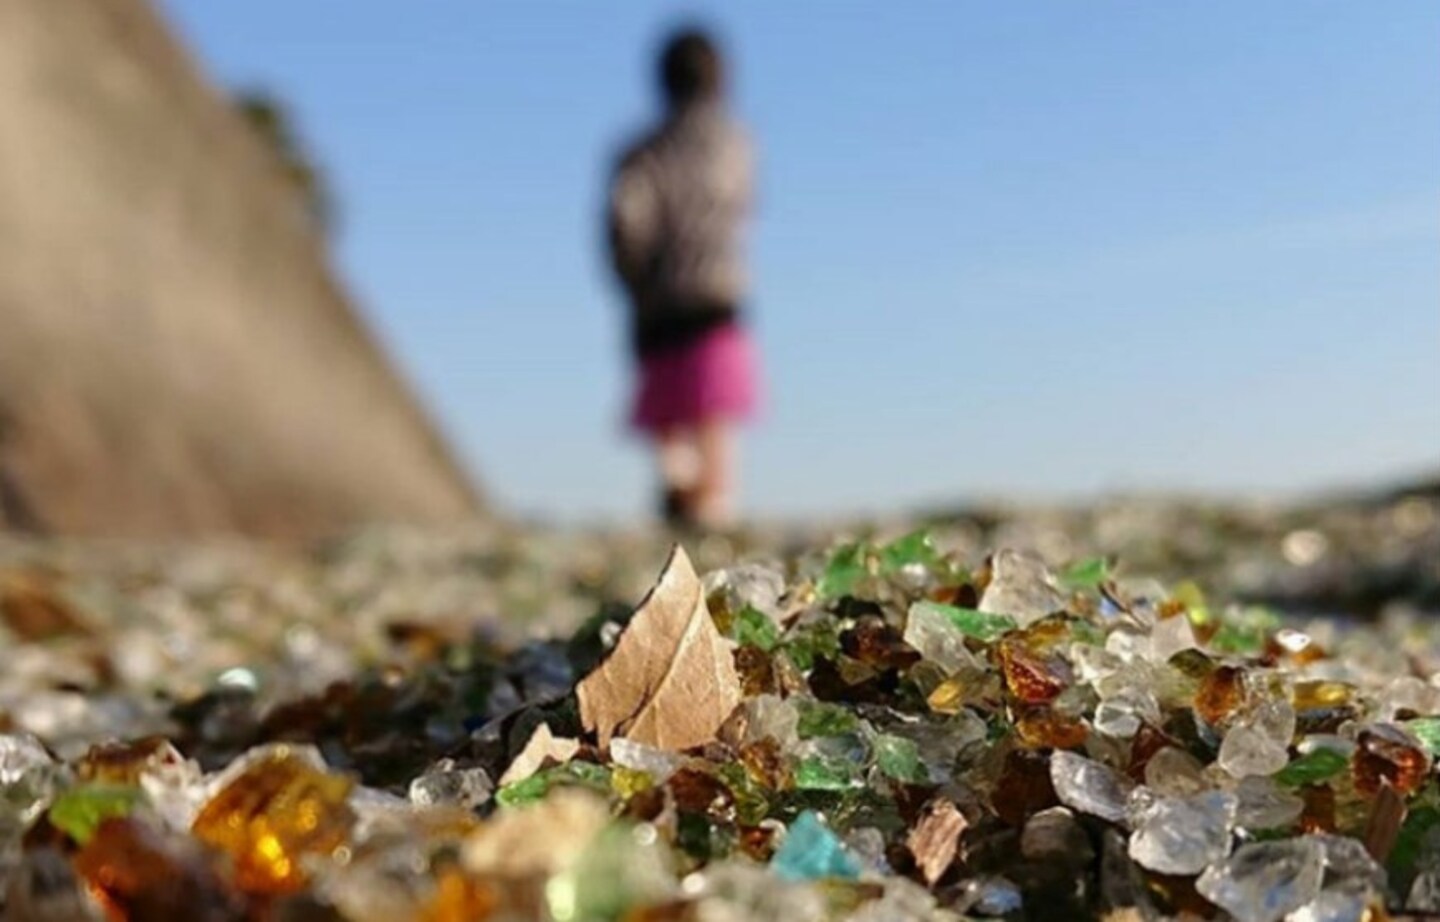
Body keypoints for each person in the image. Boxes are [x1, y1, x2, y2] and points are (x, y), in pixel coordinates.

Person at [606, 27, 759, 529]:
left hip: (659, 298)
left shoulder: (641, 155)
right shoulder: (735, 144)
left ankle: (681, 490)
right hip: (718, 292)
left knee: (670, 416)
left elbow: (625, 223)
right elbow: (746, 205)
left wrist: (634, 281)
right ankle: (712, 503)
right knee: (714, 410)